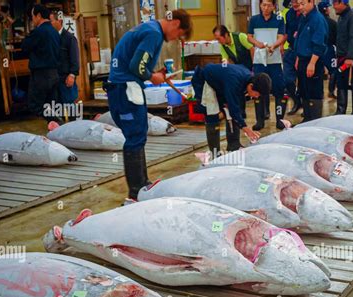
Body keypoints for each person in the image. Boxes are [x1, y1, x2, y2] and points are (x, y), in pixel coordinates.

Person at [105, 9, 192, 203]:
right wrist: (154, 77)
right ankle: (135, 192)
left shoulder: (149, 28)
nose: (176, 38)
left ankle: (141, 185)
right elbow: (137, 67)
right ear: (176, 23)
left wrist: (153, 73)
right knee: (135, 136)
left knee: (138, 134)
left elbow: (137, 63)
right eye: (180, 35)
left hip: (122, 87)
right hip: (125, 88)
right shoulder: (154, 34)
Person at [191, 64, 270, 155]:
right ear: (251, 86)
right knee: (212, 114)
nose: (256, 97)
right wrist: (247, 130)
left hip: (221, 83)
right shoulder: (234, 81)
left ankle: (234, 145)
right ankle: (215, 153)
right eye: (256, 94)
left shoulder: (247, 79)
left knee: (234, 111)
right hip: (205, 80)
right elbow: (233, 108)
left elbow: (236, 108)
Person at [247, 0, 287, 131]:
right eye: (263, 5)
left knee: (278, 89)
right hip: (259, 60)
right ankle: (260, 120)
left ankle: (280, 119)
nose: (266, 8)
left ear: (274, 6)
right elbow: (249, 36)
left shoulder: (279, 19)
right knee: (259, 88)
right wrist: (257, 43)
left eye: (269, 5)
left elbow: (282, 36)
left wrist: (274, 45)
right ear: (260, 5)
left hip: (274, 59)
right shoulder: (254, 20)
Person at [21, 4, 60, 122]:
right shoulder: (54, 31)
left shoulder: (39, 31)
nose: (32, 19)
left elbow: (24, 46)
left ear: (38, 16)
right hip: (54, 73)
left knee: (35, 105)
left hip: (41, 75)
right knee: (50, 105)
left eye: (32, 16)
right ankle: (56, 126)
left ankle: (56, 122)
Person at [294, 0, 328, 122]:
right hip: (303, 59)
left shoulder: (317, 19)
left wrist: (312, 63)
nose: (301, 7)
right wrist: (298, 57)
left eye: (303, 4)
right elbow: (300, 39)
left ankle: (315, 121)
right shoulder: (304, 17)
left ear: (312, 2)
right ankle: (307, 119)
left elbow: (319, 44)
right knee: (304, 90)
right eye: (299, 4)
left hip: (313, 61)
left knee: (314, 92)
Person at [333, 0, 353, 115]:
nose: (334, 6)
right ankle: (341, 110)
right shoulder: (341, 17)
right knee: (341, 84)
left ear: (343, 3)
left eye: (336, 3)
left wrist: (350, 57)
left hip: (352, 58)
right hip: (341, 56)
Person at [50, 11, 80, 112]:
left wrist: (72, 75)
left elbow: (75, 59)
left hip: (66, 79)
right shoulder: (50, 38)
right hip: (54, 78)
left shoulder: (69, 38)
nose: (49, 24)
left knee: (70, 107)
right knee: (56, 109)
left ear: (60, 21)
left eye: (51, 21)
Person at [283, 0, 303, 115]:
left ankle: (306, 105)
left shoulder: (306, 14)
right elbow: (286, 31)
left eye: (297, 2)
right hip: (290, 50)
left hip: (302, 50)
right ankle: (296, 101)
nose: (295, 4)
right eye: (293, 2)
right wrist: (281, 44)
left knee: (303, 81)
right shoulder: (289, 14)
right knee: (287, 79)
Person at [318, 1, 337, 99]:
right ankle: (331, 90)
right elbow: (336, 38)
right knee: (333, 71)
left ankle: (319, 92)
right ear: (325, 9)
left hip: (318, 49)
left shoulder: (316, 21)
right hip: (329, 49)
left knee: (319, 72)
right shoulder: (332, 23)